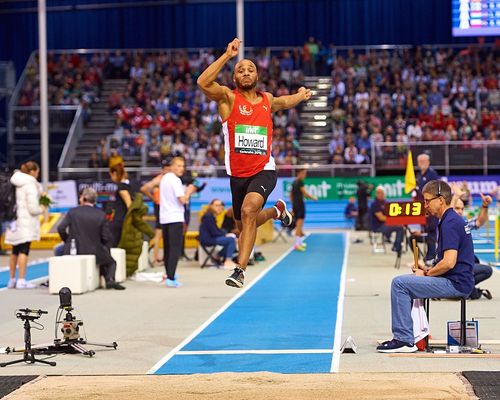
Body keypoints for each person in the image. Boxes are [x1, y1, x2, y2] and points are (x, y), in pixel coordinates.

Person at [197, 37, 311, 288]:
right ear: (235, 77)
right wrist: (227, 56)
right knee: (243, 225)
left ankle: (240, 270)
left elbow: (284, 101)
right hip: (237, 174)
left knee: (248, 212)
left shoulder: (267, 100)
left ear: (257, 76)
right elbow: (203, 82)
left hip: (263, 169)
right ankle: (276, 212)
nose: (245, 72)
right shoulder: (227, 98)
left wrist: (301, 96)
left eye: (250, 69)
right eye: (241, 70)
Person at [377, 180, 474, 353]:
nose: (425, 205)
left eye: (428, 200)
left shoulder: (450, 222)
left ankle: (404, 339)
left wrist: (428, 274)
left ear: (441, 200)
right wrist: (426, 269)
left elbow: (449, 262)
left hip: (455, 284)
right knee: (407, 282)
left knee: (400, 284)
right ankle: (409, 336)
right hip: (456, 280)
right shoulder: (450, 219)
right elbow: (446, 261)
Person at [57, 188, 125, 290]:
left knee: (58, 250)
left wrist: (68, 241)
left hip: (74, 249)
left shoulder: (73, 212)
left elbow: (61, 228)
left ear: (83, 198)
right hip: (95, 251)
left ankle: (58, 277)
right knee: (111, 262)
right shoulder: (101, 215)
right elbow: (106, 237)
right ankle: (109, 279)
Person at [4, 161, 46, 289]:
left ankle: (11, 280)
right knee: (24, 249)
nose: (38, 175)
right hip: (26, 222)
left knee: (15, 249)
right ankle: (21, 279)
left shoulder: (16, 181)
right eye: (37, 172)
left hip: (15, 220)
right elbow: (32, 208)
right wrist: (42, 208)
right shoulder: (30, 184)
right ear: (32, 172)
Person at [451, 182, 493, 300]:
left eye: (462, 209)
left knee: (475, 259)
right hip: (453, 266)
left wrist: (484, 206)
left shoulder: (462, 223)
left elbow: (479, 222)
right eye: (456, 208)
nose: (460, 211)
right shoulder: (447, 224)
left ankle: (465, 289)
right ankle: (462, 289)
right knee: (487, 270)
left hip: (458, 265)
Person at [159, 156, 196, 288]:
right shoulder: (175, 180)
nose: (181, 169)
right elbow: (183, 200)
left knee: (168, 248)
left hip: (164, 217)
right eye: (178, 166)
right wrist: (189, 192)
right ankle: (171, 277)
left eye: (183, 166)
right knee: (174, 249)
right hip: (174, 217)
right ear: (172, 166)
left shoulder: (164, 178)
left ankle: (169, 273)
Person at [199, 199, 238, 269]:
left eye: (220, 205)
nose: (219, 207)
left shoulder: (211, 216)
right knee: (231, 240)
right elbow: (214, 232)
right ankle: (228, 261)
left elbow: (216, 230)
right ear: (211, 206)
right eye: (216, 205)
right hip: (208, 239)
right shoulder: (208, 216)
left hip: (211, 237)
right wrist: (225, 235)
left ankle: (218, 257)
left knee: (232, 238)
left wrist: (226, 234)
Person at [416, 153, 440, 263]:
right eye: (420, 161)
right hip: (423, 207)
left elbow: (435, 190)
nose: (422, 163)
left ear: (429, 162)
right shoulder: (419, 175)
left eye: (424, 161)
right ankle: (428, 255)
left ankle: (431, 255)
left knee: (431, 229)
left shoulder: (432, 174)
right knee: (426, 230)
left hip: (432, 207)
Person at [369, 186, 404, 255]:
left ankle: (395, 245)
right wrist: (393, 221)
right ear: (376, 194)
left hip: (385, 224)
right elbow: (381, 218)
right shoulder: (375, 204)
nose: (382, 195)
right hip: (378, 226)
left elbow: (391, 214)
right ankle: (396, 248)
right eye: (380, 193)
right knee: (399, 228)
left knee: (400, 225)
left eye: (383, 193)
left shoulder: (385, 203)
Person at [108, 162, 136, 247]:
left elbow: (129, 205)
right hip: (122, 220)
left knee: (115, 246)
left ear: (115, 173)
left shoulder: (121, 188)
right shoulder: (127, 186)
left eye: (111, 175)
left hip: (120, 221)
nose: (110, 177)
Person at [289, 168, 317, 251]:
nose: (305, 175)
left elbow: (291, 195)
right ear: (299, 173)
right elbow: (305, 193)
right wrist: (313, 198)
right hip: (300, 205)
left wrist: (293, 205)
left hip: (295, 205)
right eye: (304, 173)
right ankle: (297, 244)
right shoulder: (300, 182)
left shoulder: (294, 182)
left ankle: (299, 242)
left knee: (299, 224)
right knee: (299, 224)